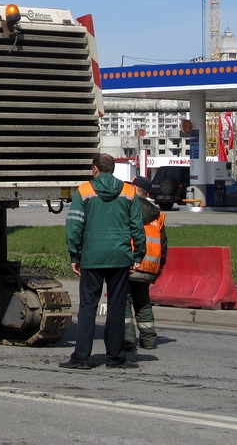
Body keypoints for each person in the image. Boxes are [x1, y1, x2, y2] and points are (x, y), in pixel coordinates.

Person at [59, 154, 146, 370]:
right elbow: (137, 226)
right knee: (116, 308)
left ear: (95, 169)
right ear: (113, 169)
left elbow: (74, 225)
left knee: (88, 307)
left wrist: (75, 255)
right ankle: (115, 358)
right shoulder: (128, 192)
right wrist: (138, 256)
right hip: (120, 257)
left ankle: (81, 358)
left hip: (92, 257)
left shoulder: (84, 190)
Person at [125, 176, 168, 351]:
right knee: (143, 302)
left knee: (123, 302)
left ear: (135, 189)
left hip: (129, 265)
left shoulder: (127, 209)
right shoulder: (158, 215)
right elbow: (163, 245)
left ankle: (127, 340)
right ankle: (148, 340)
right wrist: (159, 268)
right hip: (149, 267)